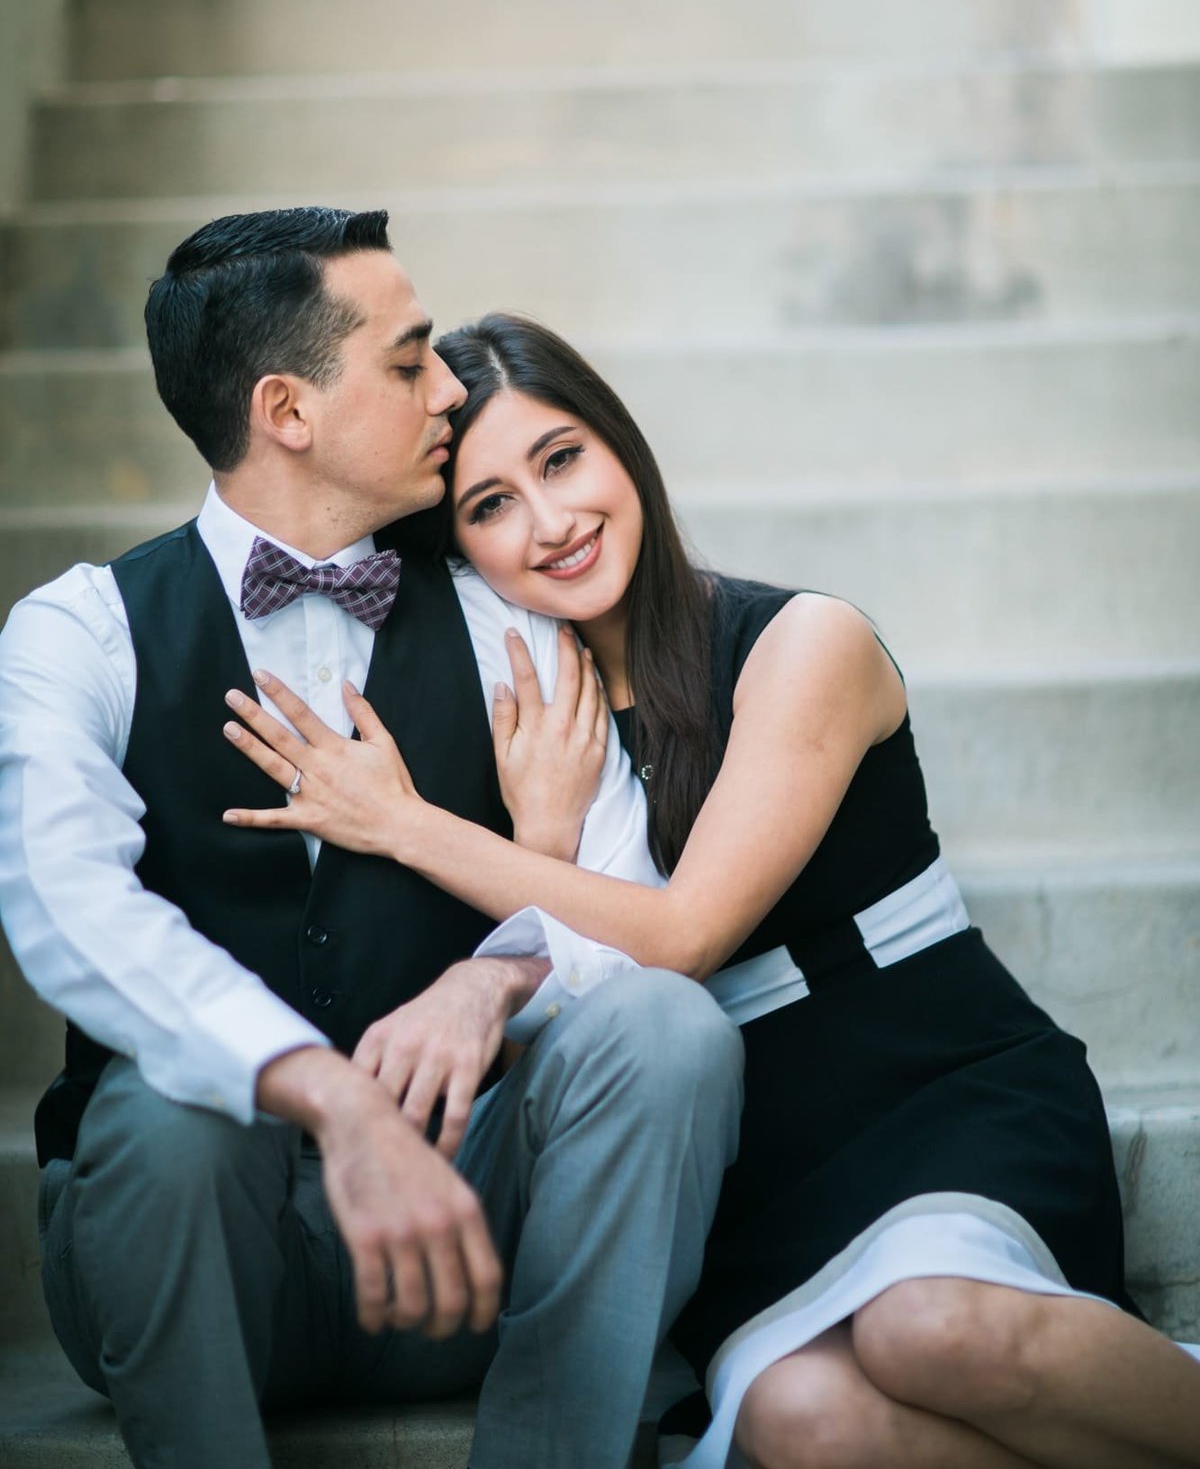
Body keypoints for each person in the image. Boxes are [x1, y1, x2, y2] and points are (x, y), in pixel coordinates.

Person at [222, 311, 1200, 1469]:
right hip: (746, 1171)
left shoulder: (802, 644)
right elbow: (561, 1028)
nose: (551, 524)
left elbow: (683, 936)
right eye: (489, 506)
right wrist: (536, 831)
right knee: (804, 1423)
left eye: (562, 458)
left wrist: (406, 825)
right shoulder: (516, 714)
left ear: (622, 445)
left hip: (931, 1087)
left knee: (933, 1328)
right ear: (459, 547)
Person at [0, 217, 746, 1469]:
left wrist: (493, 977)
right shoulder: (80, 633)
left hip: (476, 1237)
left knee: (672, 1031)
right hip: (191, 1263)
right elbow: (63, 903)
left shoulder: (510, 617)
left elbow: (633, 907)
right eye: (409, 364)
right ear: (287, 409)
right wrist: (326, 1094)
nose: (452, 387)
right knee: (167, 1113)